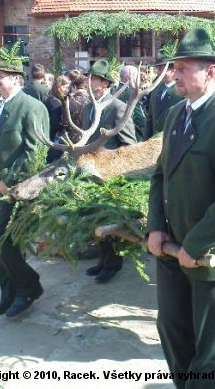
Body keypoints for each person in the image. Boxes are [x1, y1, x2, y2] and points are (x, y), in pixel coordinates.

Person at [147, 28, 215, 388]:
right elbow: (160, 176)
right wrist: (155, 227)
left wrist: (195, 246)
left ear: (211, 71)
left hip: (209, 253)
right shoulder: (176, 115)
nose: (174, 74)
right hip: (171, 248)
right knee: (171, 327)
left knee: (207, 347)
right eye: (174, 67)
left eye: (183, 68)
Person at [0, 58, 50, 318]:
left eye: (1, 75)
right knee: (6, 242)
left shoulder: (31, 107)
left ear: (16, 79)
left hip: (19, 188)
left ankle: (29, 287)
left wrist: (8, 180)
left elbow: (36, 151)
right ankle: (9, 295)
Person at [82, 60, 136, 283]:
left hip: (110, 176)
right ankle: (103, 259)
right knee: (95, 218)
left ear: (104, 83)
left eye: (92, 79)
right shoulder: (87, 107)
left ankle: (113, 263)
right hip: (90, 173)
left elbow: (129, 144)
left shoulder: (118, 108)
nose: (88, 82)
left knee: (109, 219)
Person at [144, 48, 183, 140]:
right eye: (157, 68)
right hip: (153, 144)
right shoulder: (156, 87)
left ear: (173, 69)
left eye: (161, 68)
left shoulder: (181, 91)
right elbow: (150, 118)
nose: (158, 72)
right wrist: (145, 141)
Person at [115, 65, 147, 142]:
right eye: (136, 76)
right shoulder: (131, 93)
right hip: (132, 133)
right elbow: (139, 117)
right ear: (128, 78)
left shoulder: (114, 91)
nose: (138, 79)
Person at [45, 75, 71, 163]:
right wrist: (66, 127)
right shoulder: (55, 103)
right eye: (65, 87)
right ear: (58, 87)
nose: (67, 90)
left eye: (68, 87)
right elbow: (54, 124)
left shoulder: (52, 99)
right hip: (53, 138)